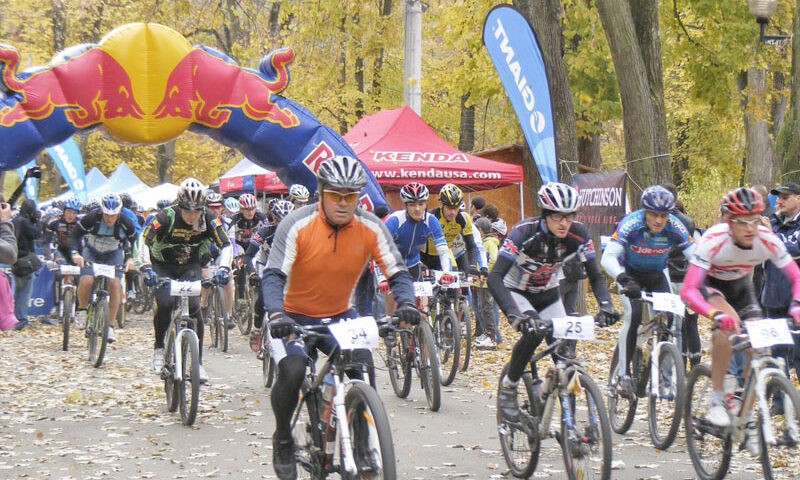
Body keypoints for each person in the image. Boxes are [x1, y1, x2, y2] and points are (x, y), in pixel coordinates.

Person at [261, 155, 418, 480]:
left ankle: (361, 438)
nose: (344, 203)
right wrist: (276, 313)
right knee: (292, 370)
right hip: (291, 314)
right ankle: (283, 438)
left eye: (352, 195)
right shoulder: (297, 224)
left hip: (339, 314)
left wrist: (406, 304)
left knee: (361, 362)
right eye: (336, 195)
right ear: (321, 193)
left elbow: (399, 271)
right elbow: (274, 275)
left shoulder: (370, 226)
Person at [680, 187, 800, 455]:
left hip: (743, 288)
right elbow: (688, 290)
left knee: (758, 347)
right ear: (728, 221)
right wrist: (714, 314)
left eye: (755, 220)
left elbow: (796, 276)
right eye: (741, 221)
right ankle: (717, 397)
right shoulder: (713, 240)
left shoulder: (767, 238)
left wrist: (796, 305)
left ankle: (744, 418)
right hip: (711, 287)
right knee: (729, 326)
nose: (749, 228)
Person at [490, 182, 620, 423]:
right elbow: (494, 277)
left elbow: (595, 275)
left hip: (549, 293)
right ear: (546, 214)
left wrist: (606, 305)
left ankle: (566, 422)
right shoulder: (524, 233)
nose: (564, 223)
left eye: (569, 216)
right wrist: (514, 315)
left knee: (565, 355)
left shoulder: (578, 234)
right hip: (517, 291)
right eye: (559, 216)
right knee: (533, 333)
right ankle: (509, 387)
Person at [600, 185, 694, 396]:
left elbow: (696, 259)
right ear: (644, 212)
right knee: (633, 316)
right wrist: (622, 278)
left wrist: (697, 286)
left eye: (663, 215)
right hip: (630, 273)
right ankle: (623, 376)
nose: (659, 220)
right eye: (653, 214)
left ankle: (661, 374)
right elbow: (607, 258)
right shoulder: (630, 224)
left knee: (669, 319)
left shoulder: (676, 226)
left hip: (656, 274)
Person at [139, 178, 232, 384]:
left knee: (194, 307)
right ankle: (159, 347)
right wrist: (146, 268)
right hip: (162, 266)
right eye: (188, 211)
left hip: (190, 266)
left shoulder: (209, 219)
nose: (192, 216)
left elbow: (226, 244)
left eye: (197, 211)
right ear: (179, 206)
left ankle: (197, 364)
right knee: (165, 303)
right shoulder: (165, 217)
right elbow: (144, 239)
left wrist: (224, 267)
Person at [69, 194, 137, 342]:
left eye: (113, 216)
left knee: (115, 284)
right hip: (92, 252)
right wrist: (75, 253)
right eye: (106, 215)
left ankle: (110, 326)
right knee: (86, 280)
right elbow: (74, 235)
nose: (109, 219)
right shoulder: (92, 218)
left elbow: (134, 241)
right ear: (101, 211)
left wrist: (131, 258)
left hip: (113, 254)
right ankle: (81, 310)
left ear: (119, 213)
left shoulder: (126, 222)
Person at [761, 182, 800, 382]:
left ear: (798, 199)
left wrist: (771, 236)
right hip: (773, 296)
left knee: (798, 353)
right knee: (776, 354)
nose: (780, 201)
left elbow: (792, 253)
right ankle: (778, 400)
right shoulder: (772, 222)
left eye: (786, 197)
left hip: (797, 300)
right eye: (779, 197)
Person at [662, 182, 703, 368]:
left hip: (667, 276)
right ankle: (690, 361)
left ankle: (675, 365)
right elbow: (696, 252)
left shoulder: (659, 220)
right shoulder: (689, 222)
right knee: (688, 323)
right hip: (686, 276)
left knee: (672, 324)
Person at [246, 199, 295, 351]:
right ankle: (257, 327)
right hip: (265, 263)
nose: (283, 224)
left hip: (286, 266)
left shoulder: (298, 231)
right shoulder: (265, 231)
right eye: (279, 221)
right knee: (263, 294)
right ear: (274, 220)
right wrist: (253, 273)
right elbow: (248, 256)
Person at [420, 183, 486, 284]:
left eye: (456, 208)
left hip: (444, 256)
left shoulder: (463, 219)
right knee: (424, 291)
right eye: (449, 208)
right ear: (441, 204)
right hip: (424, 256)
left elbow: (472, 246)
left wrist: (472, 266)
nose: (453, 212)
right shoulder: (431, 218)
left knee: (453, 289)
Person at [12, 199, 44, 329]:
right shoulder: (24, 222)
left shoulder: (15, 220)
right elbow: (36, 234)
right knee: (25, 290)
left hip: (15, 257)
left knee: (19, 289)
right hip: (25, 258)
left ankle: (14, 316)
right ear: (31, 211)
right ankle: (21, 318)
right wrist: (39, 222)